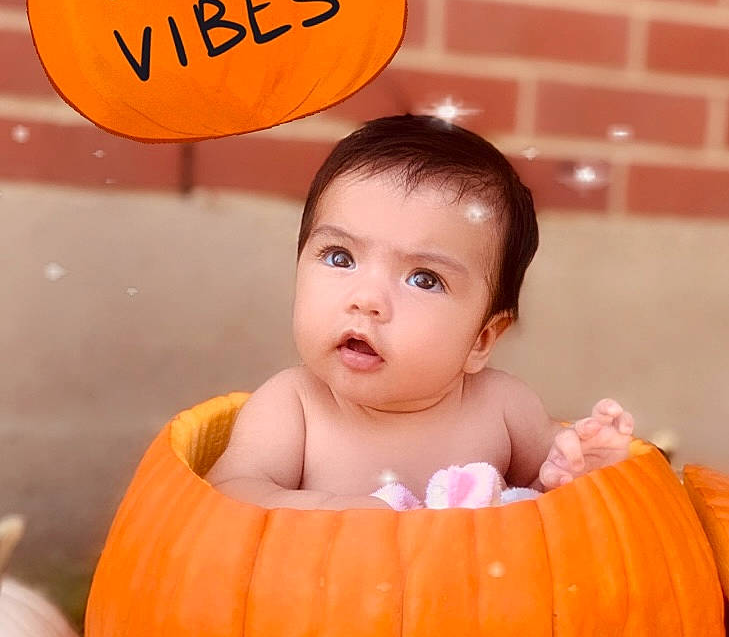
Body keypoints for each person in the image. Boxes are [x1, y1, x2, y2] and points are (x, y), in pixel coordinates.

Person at [205, 114, 634, 510]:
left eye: (424, 279)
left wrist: (580, 466)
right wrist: (335, 511)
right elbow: (227, 497)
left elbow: (550, 510)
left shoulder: (504, 408)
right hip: (323, 591)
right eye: (339, 257)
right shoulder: (293, 406)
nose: (366, 299)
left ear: (482, 339)